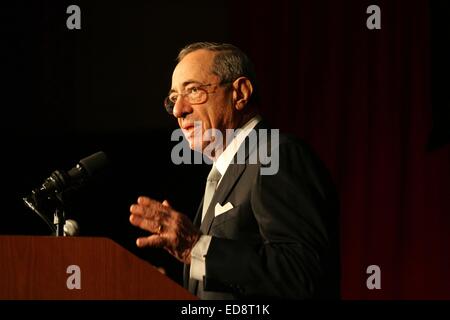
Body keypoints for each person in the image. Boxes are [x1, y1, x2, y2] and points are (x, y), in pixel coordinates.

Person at [129, 42, 340, 299]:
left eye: (194, 90)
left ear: (240, 93)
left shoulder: (277, 155)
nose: (178, 110)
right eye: (174, 98)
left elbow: (302, 275)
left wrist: (196, 246)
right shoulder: (224, 174)